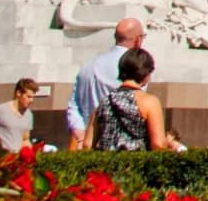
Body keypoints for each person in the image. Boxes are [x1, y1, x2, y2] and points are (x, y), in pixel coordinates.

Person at [66, 18, 145, 150]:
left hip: (86, 143)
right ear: (138, 40)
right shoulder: (136, 68)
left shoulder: (88, 65)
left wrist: (80, 135)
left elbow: (73, 105)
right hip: (121, 147)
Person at [91, 48, 172, 152]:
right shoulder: (149, 102)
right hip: (135, 164)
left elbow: (88, 143)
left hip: (105, 165)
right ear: (146, 73)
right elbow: (158, 144)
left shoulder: (104, 101)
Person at [0, 78, 39, 155]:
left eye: (33, 97)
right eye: (29, 97)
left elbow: (25, 139)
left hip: (16, 161)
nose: (32, 100)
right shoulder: (0, 109)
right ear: (18, 93)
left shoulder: (29, 115)